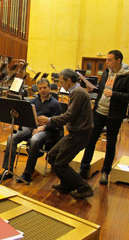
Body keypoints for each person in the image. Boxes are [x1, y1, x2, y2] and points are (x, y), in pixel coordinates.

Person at [78, 50, 129, 185]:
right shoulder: (106, 72)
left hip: (114, 114)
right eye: (106, 59)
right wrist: (95, 89)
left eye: (109, 60)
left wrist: (114, 94)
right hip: (99, 111)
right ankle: (84, 168)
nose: (106, 62)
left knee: (110, 144)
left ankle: (105, 172)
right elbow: (104, 90)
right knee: (90, 139)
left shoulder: (128, 76)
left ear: (118, 61)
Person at [38, 69, 93, 199]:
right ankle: (66, 184)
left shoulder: (78, 93)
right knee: (52, 156)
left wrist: (49, 120)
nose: (60, 85)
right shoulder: (76, 92)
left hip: (79, 134)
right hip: (76, 132)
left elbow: (69, 115)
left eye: (62, 82)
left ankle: (84, 188)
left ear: (69, 81)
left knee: (60, 163)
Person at [0, 78, 61, 183]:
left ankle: (27, 173)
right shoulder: (32, 102)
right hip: (32, 127)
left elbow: (57, 122)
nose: (42, 90)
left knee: (35, 140)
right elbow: (25, 116)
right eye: (40, 88)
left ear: (49, 88)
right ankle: (7, 170)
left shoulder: (55, 104)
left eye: (45, 87)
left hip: (48, 130)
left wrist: (44, 127)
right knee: (11, 138)